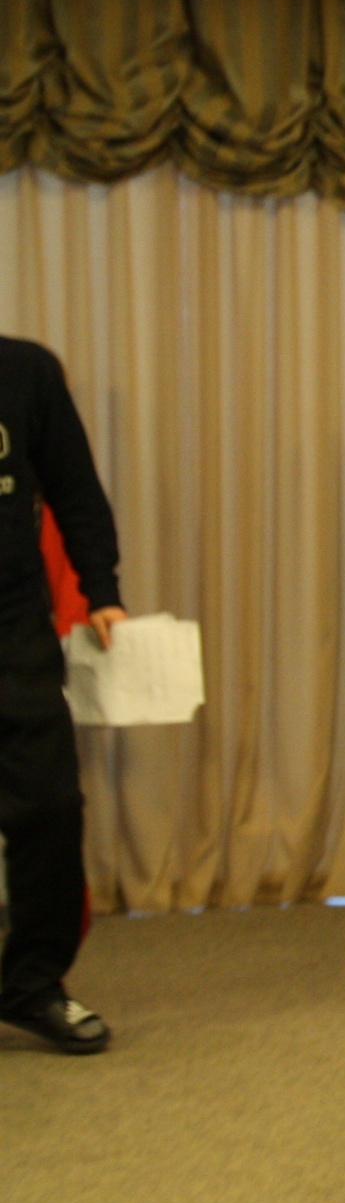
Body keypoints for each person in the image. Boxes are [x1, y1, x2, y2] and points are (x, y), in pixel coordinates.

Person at [0, 335, 127, 1054]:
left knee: (49, 807)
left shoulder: (26, 372)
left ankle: (33, 984)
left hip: (13, 626)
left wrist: (101, 589)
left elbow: (74, 487)